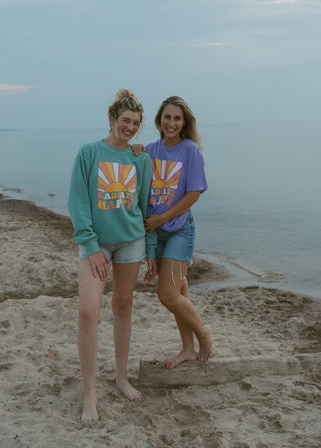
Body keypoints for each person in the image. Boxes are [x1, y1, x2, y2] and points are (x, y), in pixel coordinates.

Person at [68, 89, 157, 425]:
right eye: (125, 121)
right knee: (88, 311)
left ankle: (121, 377)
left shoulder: (140, 158)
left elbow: (145, 206)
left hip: (131, 241)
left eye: (136, 123)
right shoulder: (89, 153)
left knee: (123, 305)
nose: (130, 127)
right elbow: (77, 202)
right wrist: (91, 247)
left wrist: (150, 248)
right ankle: (89, 393)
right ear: (112, 119)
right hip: (97, 245)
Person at [142, 96, 211, 369]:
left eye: (177, 118)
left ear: (184, 123)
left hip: (180, 229)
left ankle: (203, 334)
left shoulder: (190, 150)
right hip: (157, 233)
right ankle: (187, 348)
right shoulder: (148, 150)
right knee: (180, 292)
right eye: (167, 117)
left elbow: (193, 193)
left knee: (168, 296)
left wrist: (161, 219)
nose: (171, 123)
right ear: (159, 120)